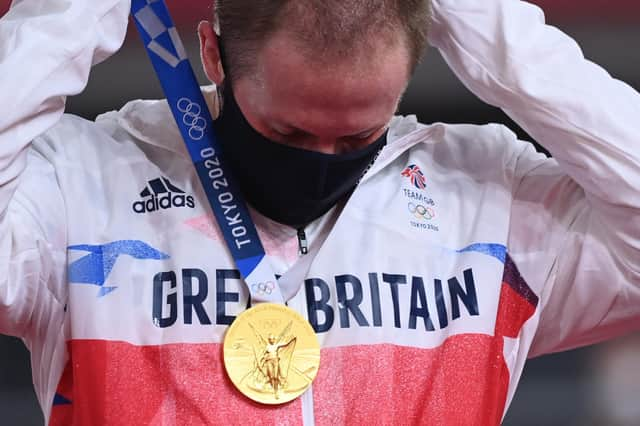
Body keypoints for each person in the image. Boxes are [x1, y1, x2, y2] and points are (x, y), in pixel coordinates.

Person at [0, 0, 638, 424]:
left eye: (361, 136)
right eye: (291, 132)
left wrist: (494, 36)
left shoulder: (492, 201)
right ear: (215, 55)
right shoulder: (78, 186)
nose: (323, 160)